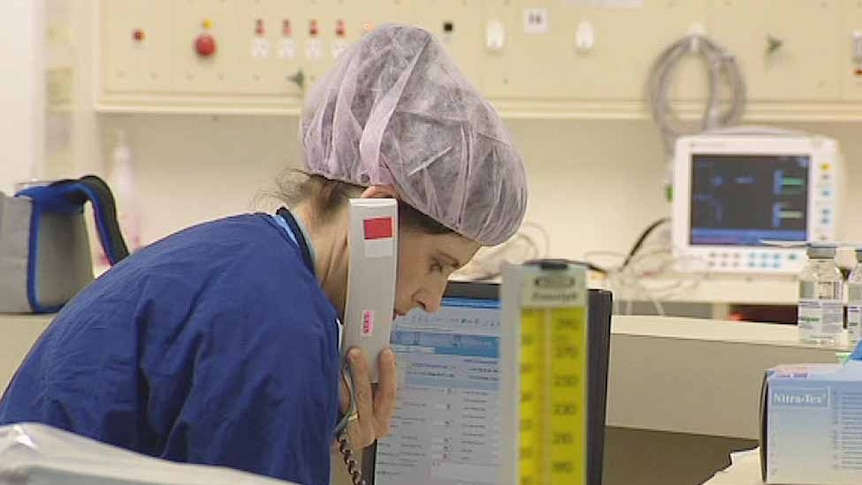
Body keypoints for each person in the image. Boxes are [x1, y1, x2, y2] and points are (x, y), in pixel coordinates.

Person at [0, 24, 527, 485]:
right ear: (380, 215)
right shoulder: (283, 327)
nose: (433, 299)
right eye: (439, 263)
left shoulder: (245, 260)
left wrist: (325, 423)